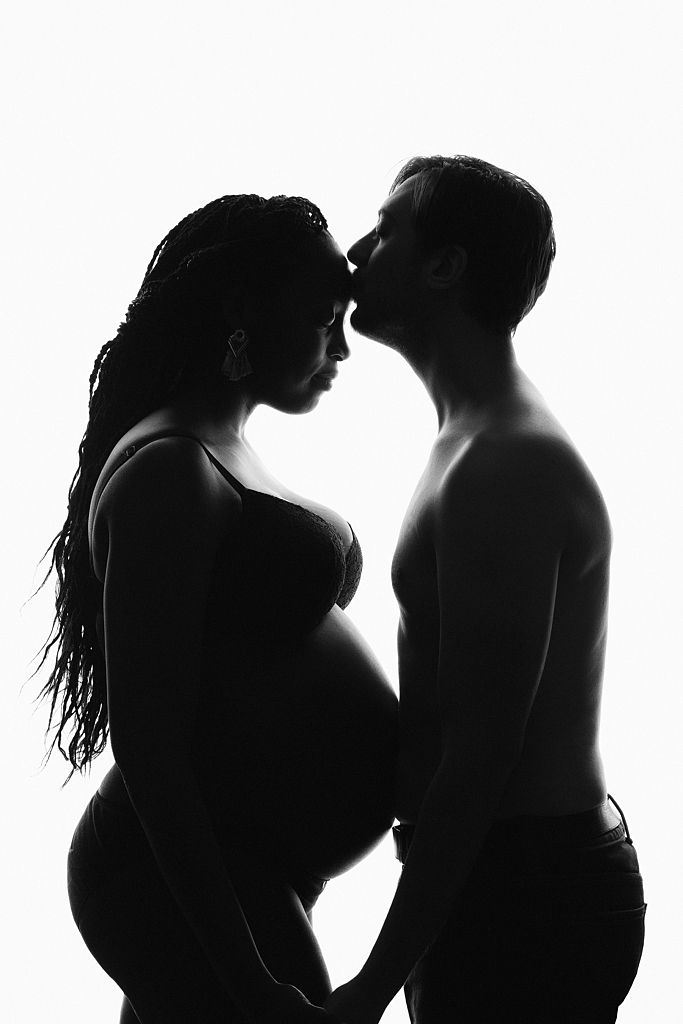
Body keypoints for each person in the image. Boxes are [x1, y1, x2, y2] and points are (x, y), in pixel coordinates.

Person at [37, 193, 398, 1024]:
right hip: (170, 873)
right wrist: (249, 981)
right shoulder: (168, 467)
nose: (340, 348)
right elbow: (151, 747)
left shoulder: (222, 444)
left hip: (251, 867)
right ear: (241, 314)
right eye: (321, 319)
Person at [324, 156, 646, 1024]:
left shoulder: (499, 464)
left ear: (444, 265)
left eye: (386, 228)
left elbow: (479, 757)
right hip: (509, 884)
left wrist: (369, 988)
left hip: (525, 900)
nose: (355, 249)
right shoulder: (472, 439)